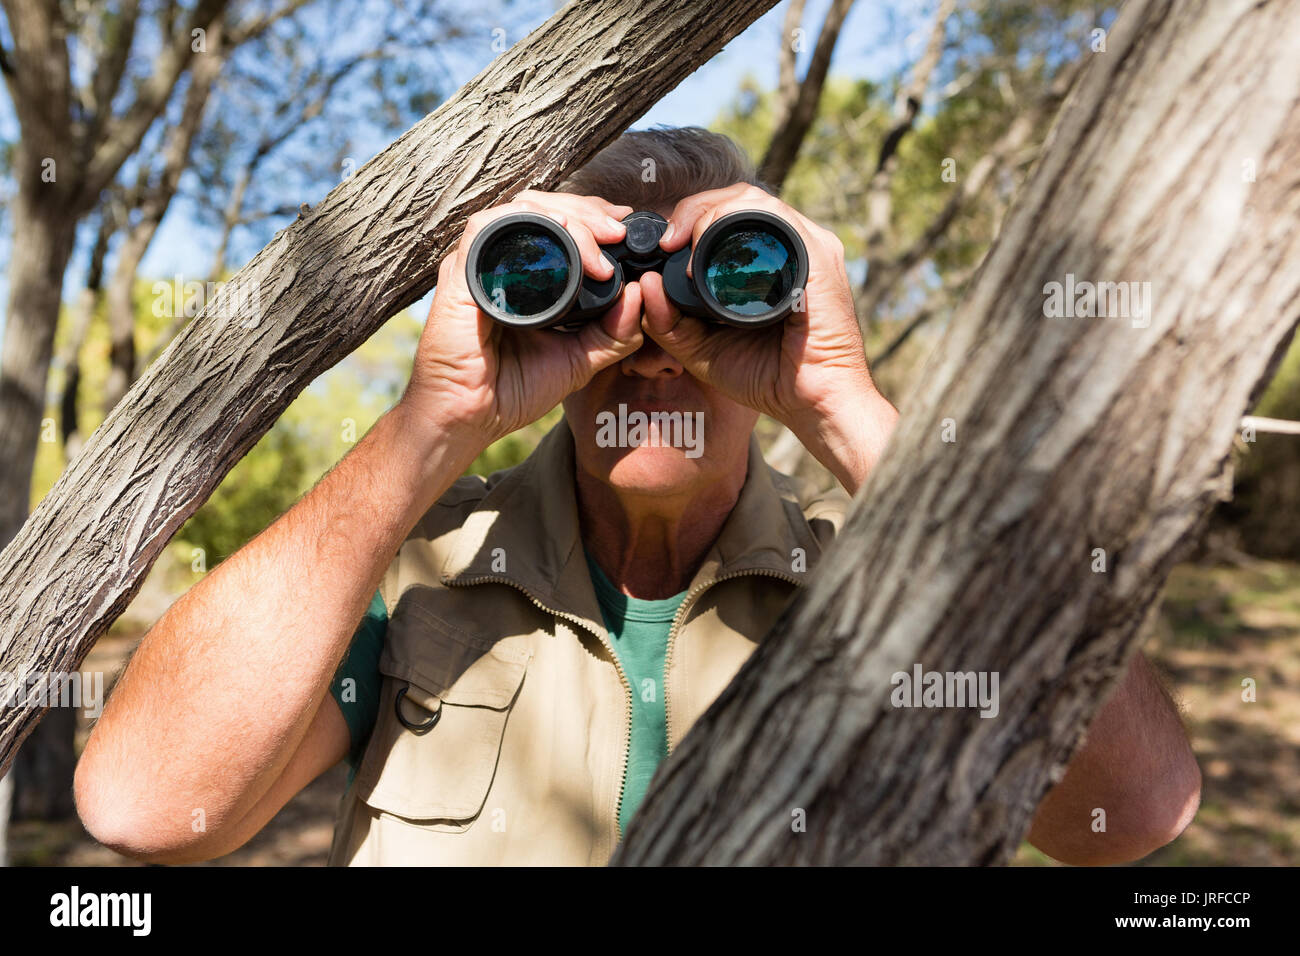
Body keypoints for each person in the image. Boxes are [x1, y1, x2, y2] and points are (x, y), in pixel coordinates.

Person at [73, 127, 1200, 866]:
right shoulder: (420, 568)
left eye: (728, 291)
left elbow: (1132, 811)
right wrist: (431, 425)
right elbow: (143, 804)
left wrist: (849, 410)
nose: (655, 348)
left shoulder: (895, 572)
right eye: (587, 294)